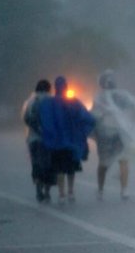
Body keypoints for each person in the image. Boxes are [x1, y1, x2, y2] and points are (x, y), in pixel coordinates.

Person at [91, 70, 135, 201]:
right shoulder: (122, 95)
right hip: (121, 132)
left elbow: (94, 115)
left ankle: (100, 190)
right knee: (123, 160)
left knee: (104, 163)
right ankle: (124, 190)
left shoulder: (99, 98)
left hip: (105, 133)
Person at [39, 76, 95, 204]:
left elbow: (45, 122)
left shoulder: (49, 103)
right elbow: (86, 117)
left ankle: (61, 194)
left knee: (59, 169)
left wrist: (50, 136)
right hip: (72, 143)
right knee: (71, 169)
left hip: (57, 144)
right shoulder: (73, 102)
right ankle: (70, 192)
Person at [22, 79, 55, 203]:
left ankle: (38, 189)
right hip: (47, 139)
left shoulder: (31, 101)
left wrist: (36, 128)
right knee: (48, 165)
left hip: (33, 139)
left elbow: (26, 118)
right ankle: (46, 192)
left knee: (36, 165)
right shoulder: (50, 101)